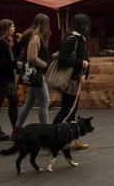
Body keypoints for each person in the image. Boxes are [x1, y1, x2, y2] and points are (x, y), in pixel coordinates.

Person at [53, 13, 91, 151]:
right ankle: (52, 137)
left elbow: (85, 59)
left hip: (76, 80)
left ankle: (73, 139)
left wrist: (85, 74)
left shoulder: (80, 39)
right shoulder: (72, 40)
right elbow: (63, 60)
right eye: (85, 25)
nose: (87, 27)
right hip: (70, 81)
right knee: (67, 110)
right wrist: (81, 63)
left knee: (71, 110)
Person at [15, 14, 52, 134]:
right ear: (44, 24)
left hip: (31, 73)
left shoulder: (28, 34)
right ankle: (45, 133)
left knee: (29, 102)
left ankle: (17, 130)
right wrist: (44, 64)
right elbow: (32, 57)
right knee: (44, 102)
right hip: (37, 74)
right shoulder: (36, 37)